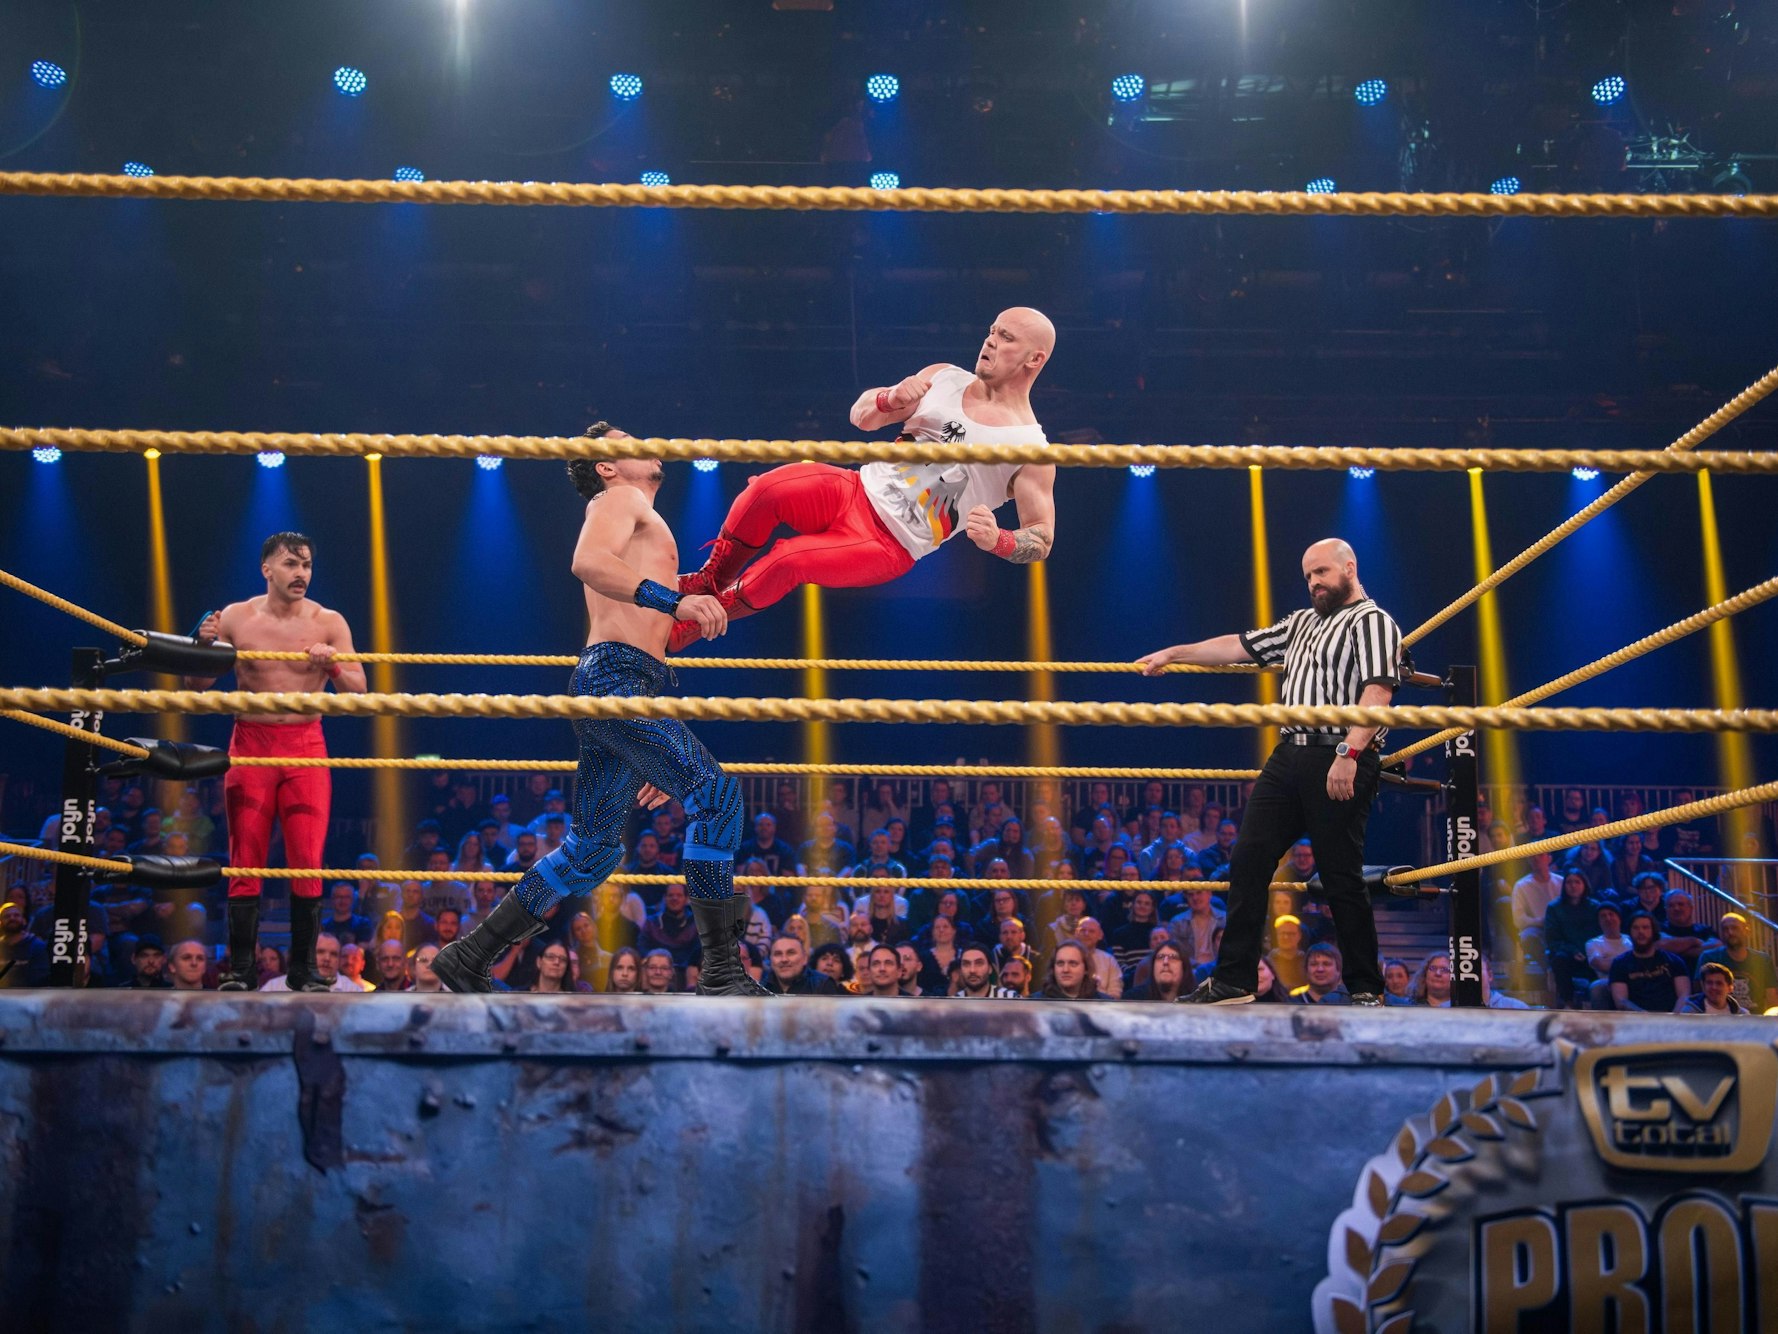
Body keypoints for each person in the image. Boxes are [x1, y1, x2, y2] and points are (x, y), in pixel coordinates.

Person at [432, 425, 767, 998]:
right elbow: (587, 561)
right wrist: (675, 600)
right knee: (717, 797)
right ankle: (720, 971)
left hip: (628, 683)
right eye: (629, 440)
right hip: (617, 680)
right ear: (606, 466)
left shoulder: (640, 517)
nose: (649, 441)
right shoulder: (618, 498)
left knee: (593, 849)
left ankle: (470, 954)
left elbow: (640, 609)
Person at [669, 310, 1059, 650]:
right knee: (767, 489)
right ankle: (708, 580)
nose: (990, 341)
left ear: (1035, 358)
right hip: (854, 488)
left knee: (789, 560)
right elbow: (861, 417)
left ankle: (690, 626)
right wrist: (889, 398)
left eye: (1006, 337)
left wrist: (999, 540)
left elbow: (1041, 538)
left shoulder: (1030, 447)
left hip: (889, 542)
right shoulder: (944, 377)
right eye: (991, 330)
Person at [1147, 539, 1400, 1006]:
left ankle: (1366, 987)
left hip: (1339, 751)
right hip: (1289, 754)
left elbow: (1378, 694)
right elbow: (1237, 646)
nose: (1314, 583)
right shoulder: (1302, 623)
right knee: (1247, 858)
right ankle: (1234, 980)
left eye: (1322, 572)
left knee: (1340, 875)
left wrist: (1349, 752)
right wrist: (1174, 653)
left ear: (1350, 566)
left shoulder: (1374, 622)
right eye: (1308, 576)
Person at [186, 532, 369, 992]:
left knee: (307, 858)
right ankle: (242, 970)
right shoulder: (235, 617)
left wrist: (330, 665)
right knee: (244, 856)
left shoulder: (328, 621)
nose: (301, 573)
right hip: (250, 742)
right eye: (291, 564)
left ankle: (304, 970)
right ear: (267, 569)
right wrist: (202, 642)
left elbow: (358, 690)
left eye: (307, 564)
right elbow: (197, 684)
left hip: (305, 744)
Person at [1607, 912, 1692, 1013]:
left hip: (1671, 1020)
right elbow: (1622, 1002)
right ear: (1629, 932)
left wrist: (1673, 1018)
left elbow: (1684, 996)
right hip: (1636, 1021)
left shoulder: (1674, 961)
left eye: (1645, 927)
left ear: (1653, 931)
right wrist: (1646, 1017)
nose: (1641, 932)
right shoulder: (1619, 964)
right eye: (1636, 928)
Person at [1694, 912, 1778, 1012]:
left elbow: (1771, 997)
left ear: (1747, 931)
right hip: (1720, 1018)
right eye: (1725, 929)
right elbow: (1699, 992)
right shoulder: (1709, 957)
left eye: (1735, 928)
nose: (1730, 932)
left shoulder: (1762, 959)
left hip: (1755, 1020)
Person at [261, 932, 361, 993]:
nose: (327, 958)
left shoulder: (352, 990)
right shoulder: (275, 987)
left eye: (334, 954)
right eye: (320, 952)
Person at [764, 933, 839, 995]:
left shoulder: (823, 985)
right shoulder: (761, 986)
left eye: (791, 953)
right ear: (770, 960)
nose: (784, 959)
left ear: (805, 958)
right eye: (778, 954)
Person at [1681, 961, 1750, 1015]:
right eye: (1709, 983)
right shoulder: (1689, 1014)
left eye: (1719, 983)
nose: (1714, 987)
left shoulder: (1742, 1016)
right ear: (1703, 986)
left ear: (1730, 988)